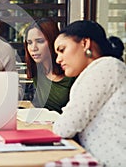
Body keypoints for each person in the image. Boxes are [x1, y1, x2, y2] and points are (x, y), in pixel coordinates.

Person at [53, 20, 126, 167]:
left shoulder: (105, 68)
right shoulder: (103, 68)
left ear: (85, 43)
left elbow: (65, 127)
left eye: (62, 49)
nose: (58, 59)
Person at [24, 18, 75, 113]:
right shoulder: (37, 71)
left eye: (40, 41)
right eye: (29, 43)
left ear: (53, 41)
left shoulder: (71, 72)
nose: (33, 48)